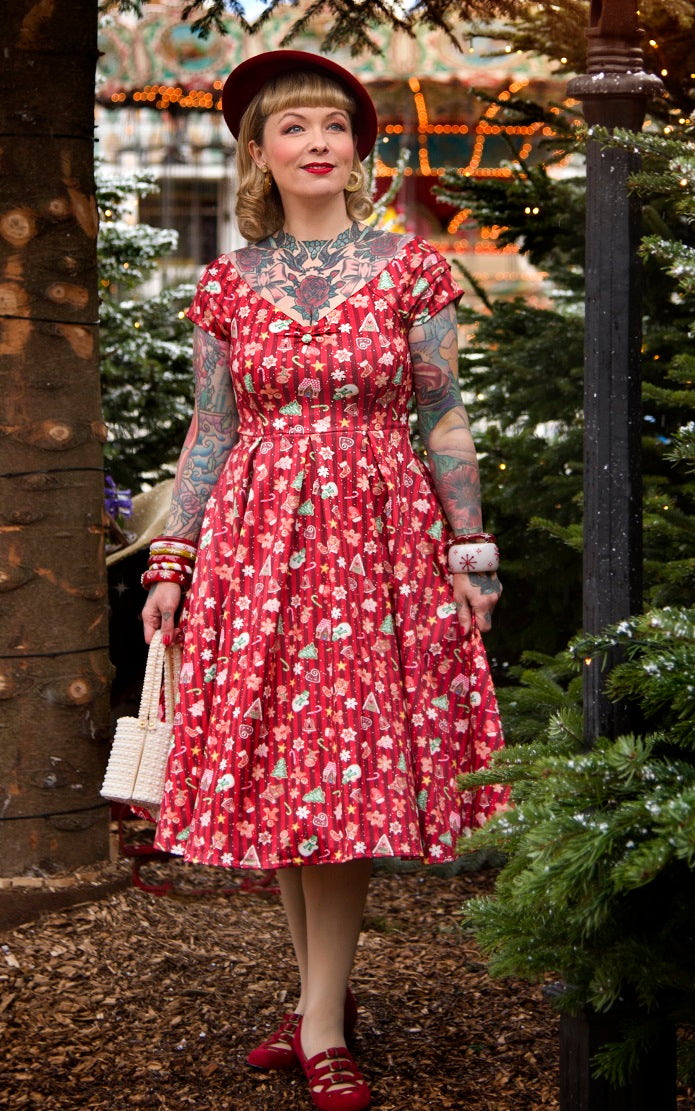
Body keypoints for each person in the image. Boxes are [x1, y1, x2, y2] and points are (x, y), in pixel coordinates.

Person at [141, 49, 506, 1111]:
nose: (315, 143)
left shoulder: (407, 269)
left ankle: (320, 1024)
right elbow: (211, 430)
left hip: (373, 540)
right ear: (259, 153)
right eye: (292, 127)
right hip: (256, 545)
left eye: (334, 127)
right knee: (288, 774)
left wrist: (467, 547)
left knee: (338, 771)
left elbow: (438, 411)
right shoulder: (226, 284)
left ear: (357, 153)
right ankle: (314, 1005)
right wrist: (173, 557)